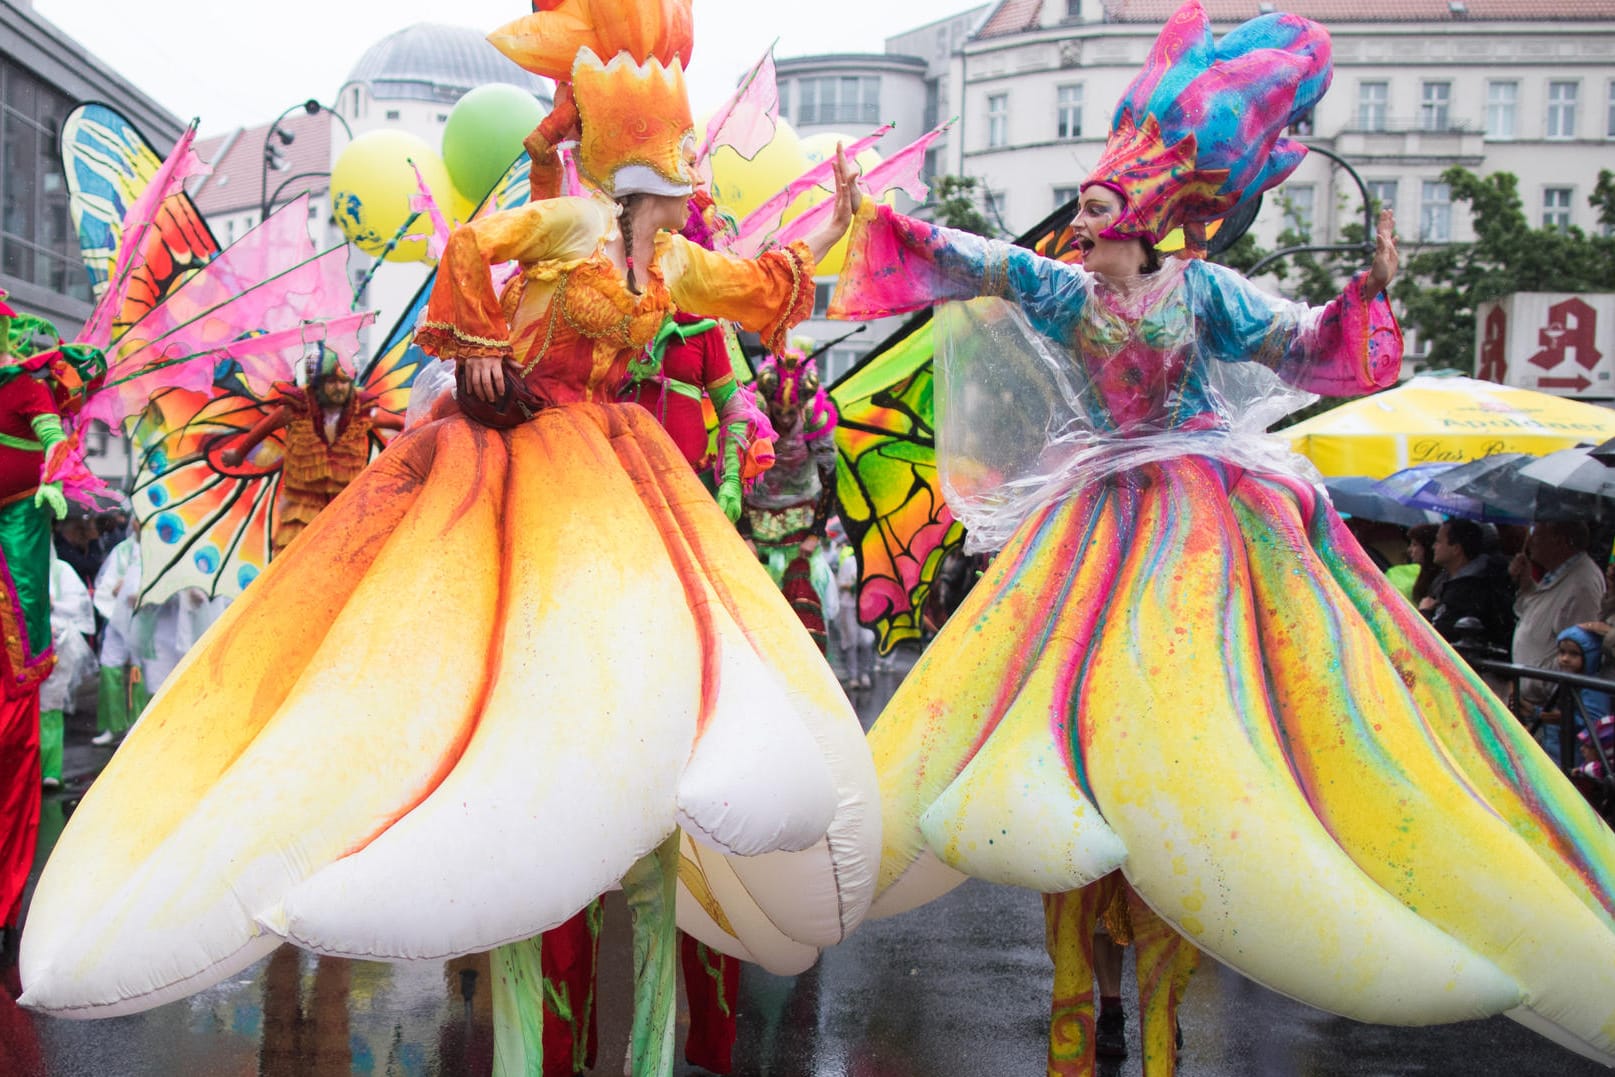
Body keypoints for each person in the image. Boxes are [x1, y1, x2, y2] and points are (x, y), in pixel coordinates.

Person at [20, 9, 879, 1077]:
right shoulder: (572, 228)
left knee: (663, 672)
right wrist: (478, 349)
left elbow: (764, 289)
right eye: (676, 162)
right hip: (521, 446)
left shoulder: (676, 269)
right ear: (636, 167)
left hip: (617, 464)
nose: (687, 180)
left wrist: (841, 230)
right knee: (480, 653)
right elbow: (468, 243)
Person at [830, 0, 1615, 1069]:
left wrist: (1367, 293)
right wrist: (877, 221)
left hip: (1205, 519)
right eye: (1082, 220)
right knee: (1056, 709)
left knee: (1222, 707)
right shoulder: (1064, 291)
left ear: (1148, 226)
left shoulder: (1203, 292)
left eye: (1100, 222)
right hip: (1101, 527)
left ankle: (1200, 949)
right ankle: (1082, 996)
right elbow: (973, 261)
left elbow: (1308, 351)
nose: (1081, 236)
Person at [220, 346, 404, 558]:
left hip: (345, 502)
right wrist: (239, 454)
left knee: (344, 556)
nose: (339, 388)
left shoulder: (363, 411)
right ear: (318, 385)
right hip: (302, 502)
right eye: (332, 382)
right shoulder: (296, 407)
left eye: (344, 382)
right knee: (293, 556)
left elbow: (404, 424)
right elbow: (264, 428)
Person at [1510, 519, 1604, 727]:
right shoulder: (1558, 574)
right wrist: (1525, 583)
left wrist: (1542, 686)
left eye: (1538, 535)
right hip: (1534, 704)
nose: (1531, 541)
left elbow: (1578, 649)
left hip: (1550, 711)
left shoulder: (1582, 584)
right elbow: (1535, 613)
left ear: (1560, 541)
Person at [1423, 518, 1512, 648]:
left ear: (1456, 549)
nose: (1433, 546)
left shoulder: (1470, 590)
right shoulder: (1446, 581)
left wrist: (1424, 613)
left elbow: (1441, 636)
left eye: (1438, 541)